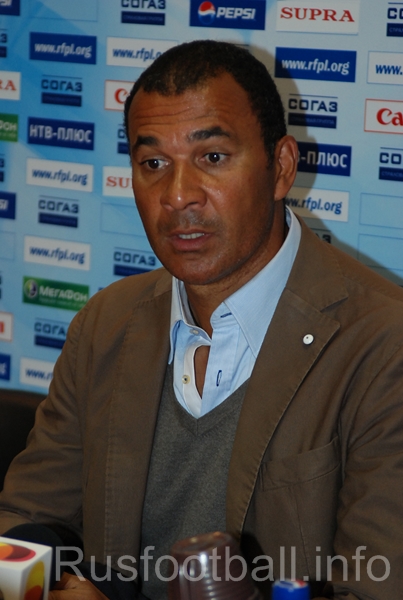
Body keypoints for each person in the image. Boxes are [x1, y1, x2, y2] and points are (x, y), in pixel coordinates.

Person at [1, 40, 403, 600]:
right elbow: (25, 520)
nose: (178, 195)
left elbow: (376, 589)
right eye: (153, 164)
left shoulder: (385, 344)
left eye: (212, 157)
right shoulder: (106, 323)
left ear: (281, 168)